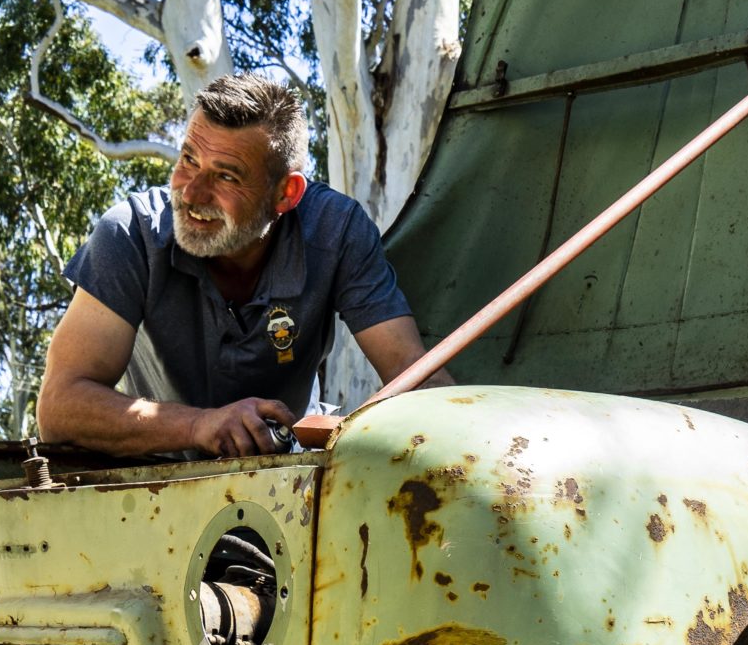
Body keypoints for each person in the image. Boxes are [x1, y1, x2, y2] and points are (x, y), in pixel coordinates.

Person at [37, 73, 448, 456]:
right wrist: (198, 425)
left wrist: (469, 429)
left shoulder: (336, 231)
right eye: (189, 160)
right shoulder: (129, 234)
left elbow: (413, 375)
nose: (192, 194)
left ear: (286, 194)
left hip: (292, 479)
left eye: (227, 177)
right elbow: (59, 407)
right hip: (151, 486)